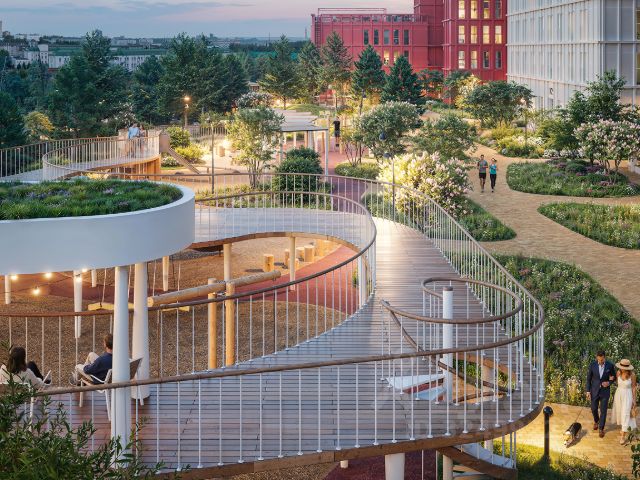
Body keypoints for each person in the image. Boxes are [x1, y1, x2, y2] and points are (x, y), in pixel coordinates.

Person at [586, 350, 617, 438]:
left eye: (602, 360)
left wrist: (609, 383)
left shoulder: (610, 365)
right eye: (598, 360)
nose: (600, 361)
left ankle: (601, 428)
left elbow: (613, 377)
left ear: (604, 357)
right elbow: (588, 379)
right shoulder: (592, 365)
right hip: (594, 390)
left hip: (605, 392)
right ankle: (596, 421)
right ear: (597, 357)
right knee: (593, 408)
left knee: (603, 411)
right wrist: (588, 391)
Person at [611, 359, 637, 444]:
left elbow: (633, 388)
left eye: (623, 368)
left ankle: (623, 436)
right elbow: (617, 383)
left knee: (625, 413)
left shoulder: (632, 375)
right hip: (619, 395)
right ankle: (623, 429)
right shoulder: (618, 373)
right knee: (620, 412)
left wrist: (634, 400)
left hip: (628, 395)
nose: (621, 369)